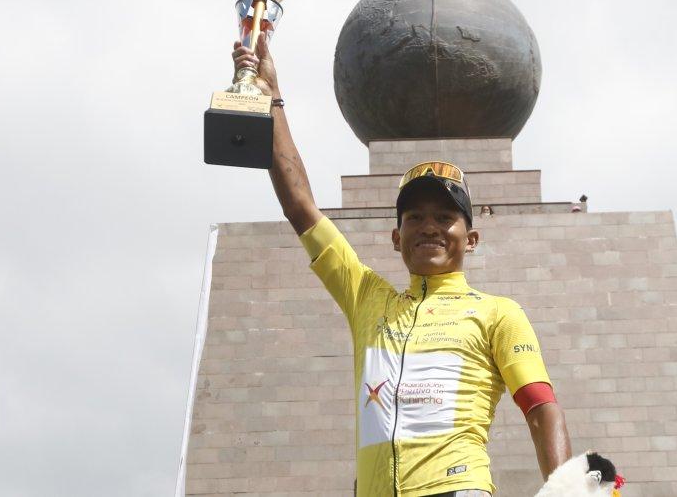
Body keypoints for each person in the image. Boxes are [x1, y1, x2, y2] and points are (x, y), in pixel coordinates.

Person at [231, 38, 572, 496]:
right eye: (415, 218)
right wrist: (272, 96)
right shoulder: (366, 298)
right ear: (396, 238)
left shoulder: (499, 314)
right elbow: (301, 208)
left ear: (471, 239)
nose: (429, 227)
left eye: (445, 217)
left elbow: (540, 407)